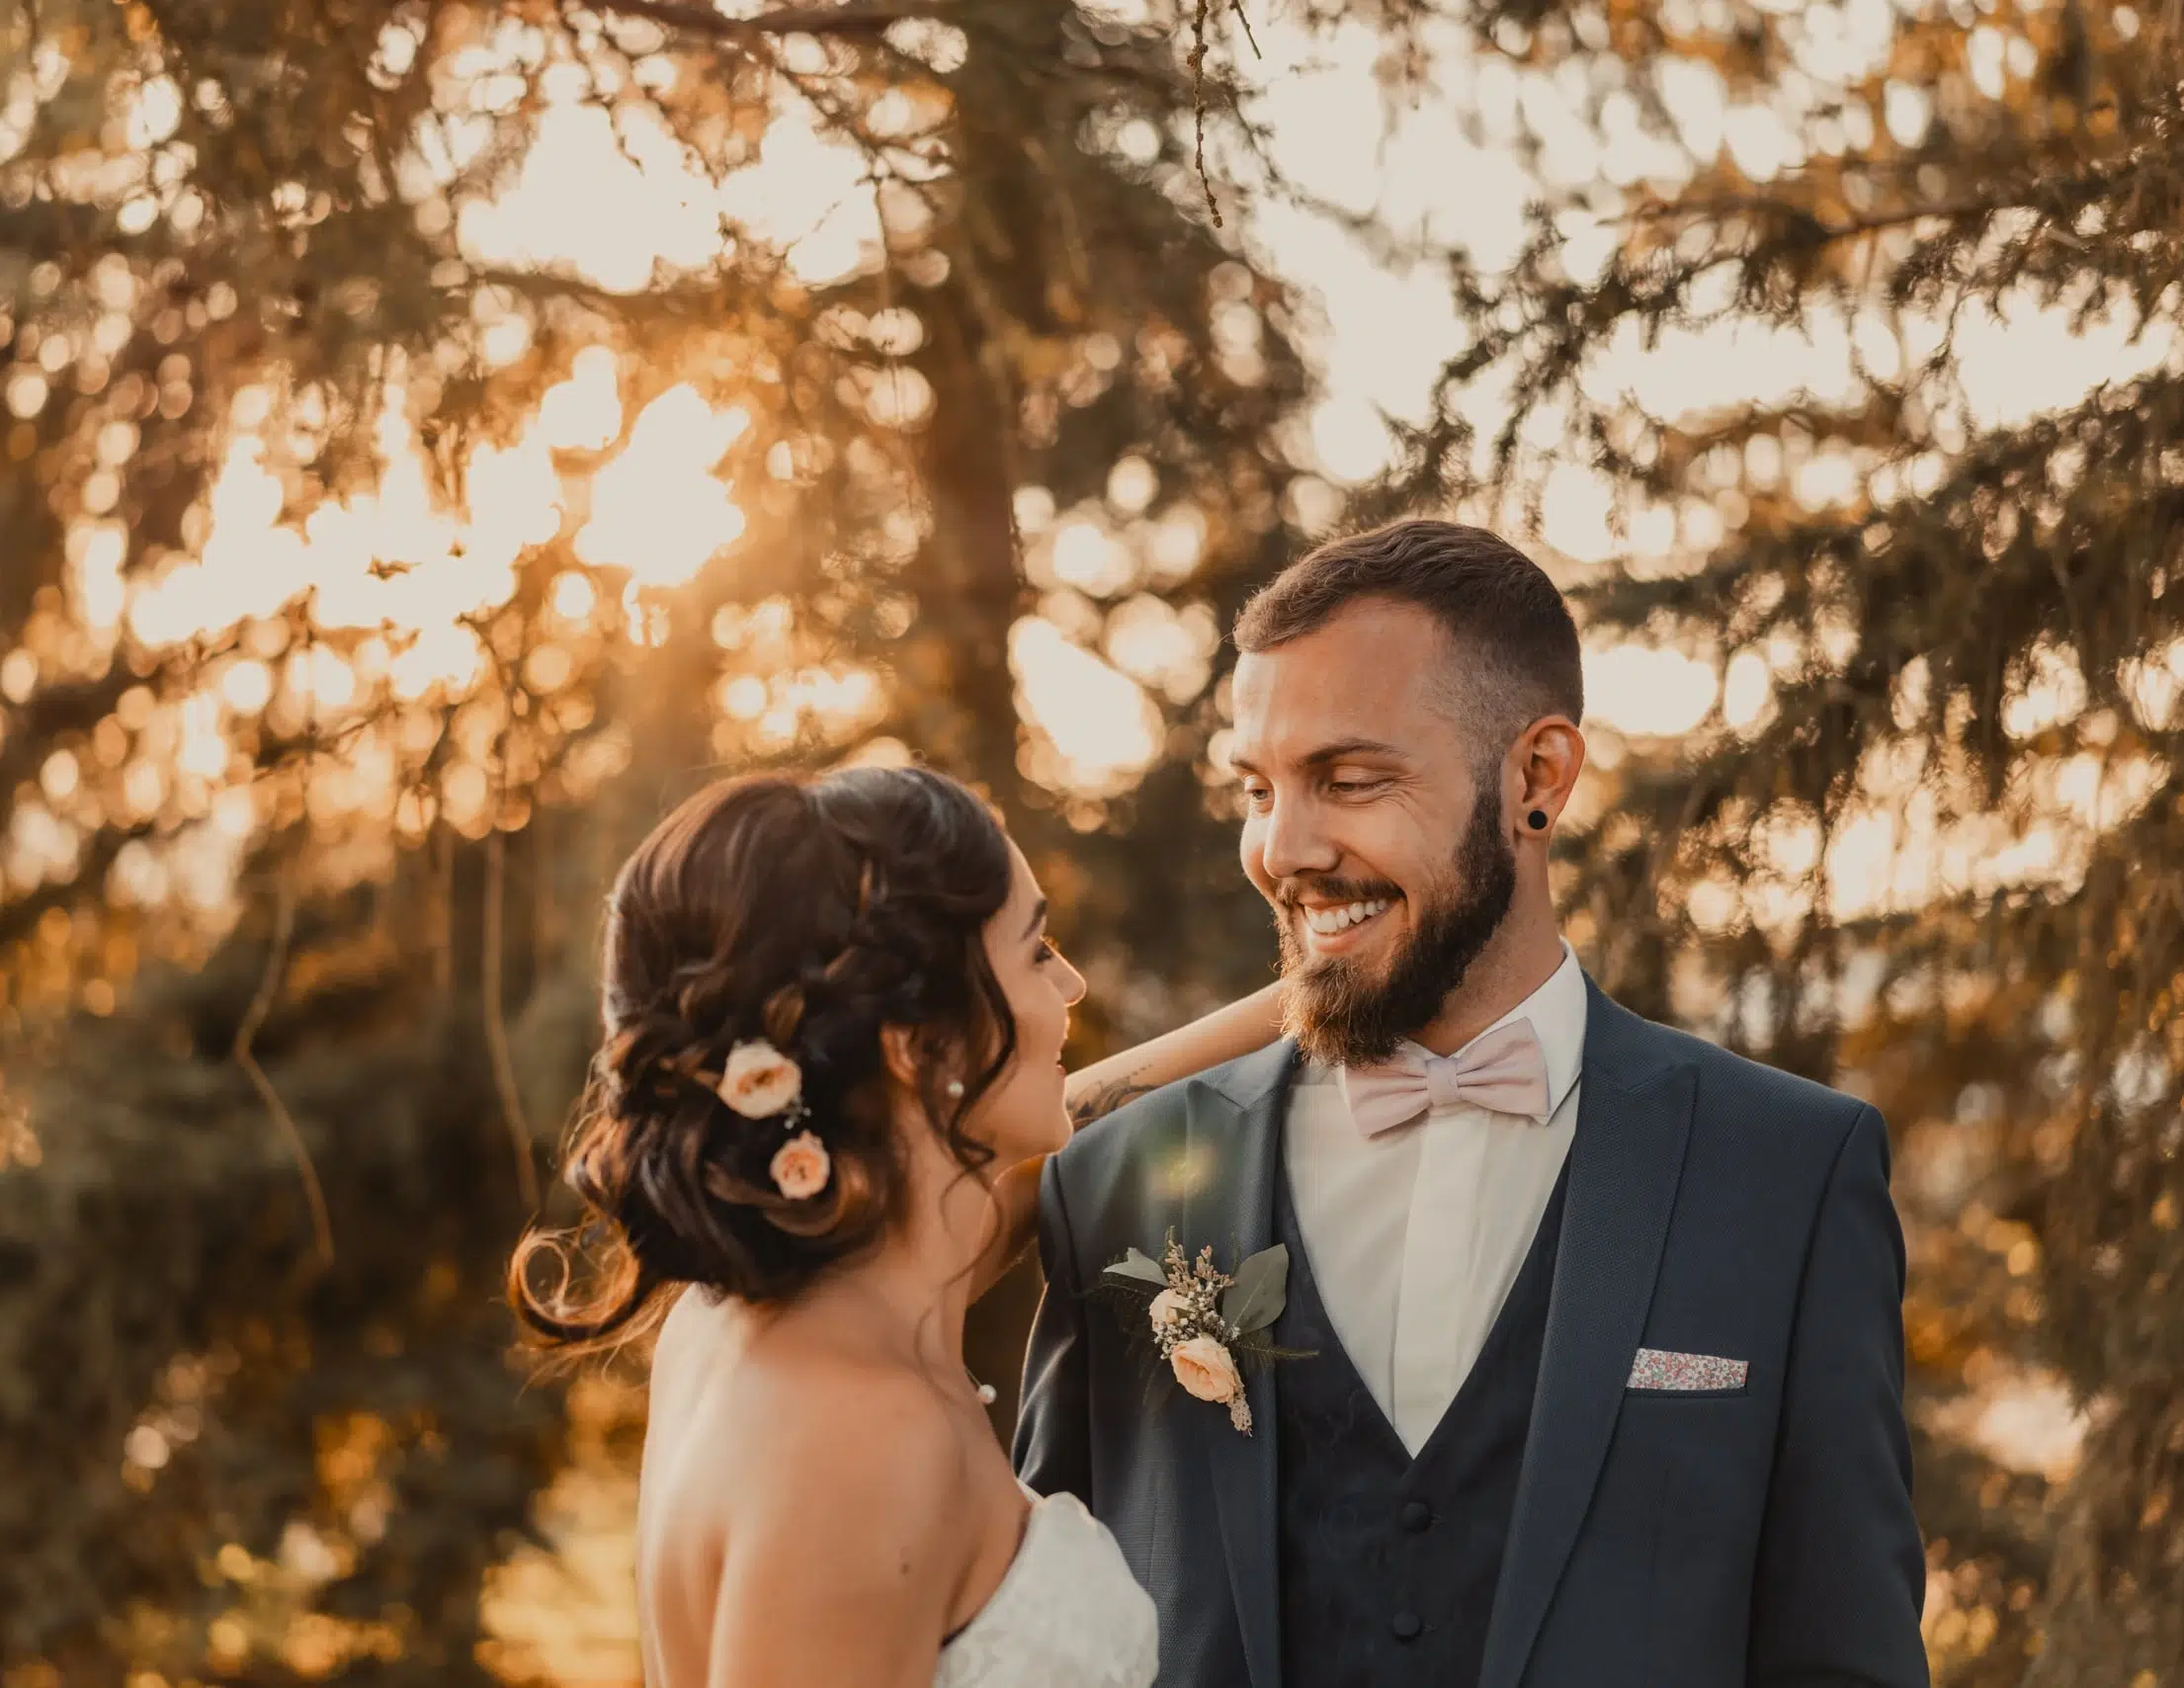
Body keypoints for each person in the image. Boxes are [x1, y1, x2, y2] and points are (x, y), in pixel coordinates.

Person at [1016, 519, 1930, 1688]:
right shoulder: (1118, 1183)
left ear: (1536, 778)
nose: (1281, 847)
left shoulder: (1786, 1175)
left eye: (1348, 780)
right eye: (1257, 788)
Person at [511, 765, 1283, 1687]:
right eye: (1038, 951)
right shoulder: (862, 1445)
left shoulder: (755, 1311)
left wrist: (1313, 999)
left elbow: (1069, 1133)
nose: (1070, 985)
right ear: (917, 1043)